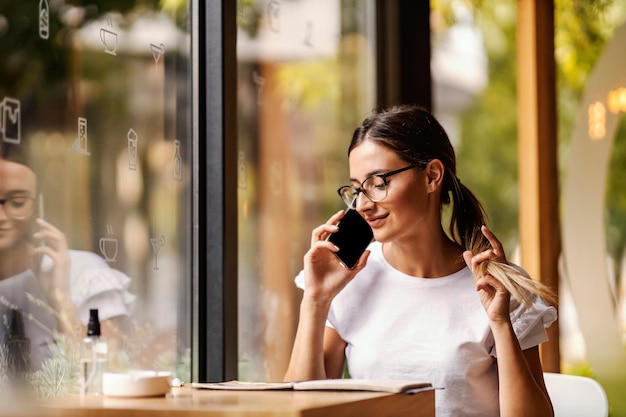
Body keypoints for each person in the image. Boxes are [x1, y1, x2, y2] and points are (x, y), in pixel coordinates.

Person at [284, 105, 558, 417]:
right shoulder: (349, 277)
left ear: (431, 176)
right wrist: (316, 299)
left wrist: (500, 323)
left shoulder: (496, 287)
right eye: (357, 188)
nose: (362, 205)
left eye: (378, 182)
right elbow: (301, 409)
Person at [0, 142, 135, 371]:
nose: (1, 216)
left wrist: (60, 298)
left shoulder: (83, 272)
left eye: (18, 202)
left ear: (37, 206)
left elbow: (108, 373)